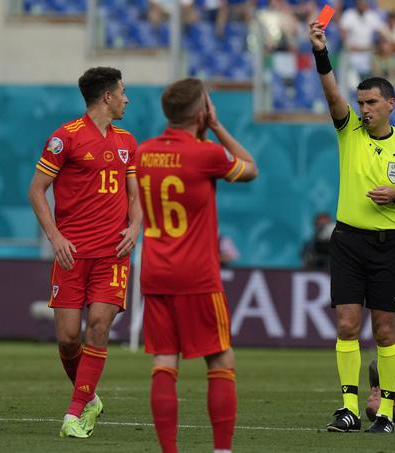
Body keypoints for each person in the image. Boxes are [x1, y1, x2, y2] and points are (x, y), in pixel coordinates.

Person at [309, 20, 395, 434]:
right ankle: (347, 407)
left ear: (391, 104)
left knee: (384, 329)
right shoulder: (350, 132)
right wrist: (321, 53)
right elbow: (330, 93)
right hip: (347, 240)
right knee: (347, 324)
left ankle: (384, 412)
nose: (364, 109)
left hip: (386, 244)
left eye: (372, 103)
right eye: (361, 102)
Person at [137, 78, 257, 453]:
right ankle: (221, 451)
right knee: (220, 358)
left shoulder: (143, 152)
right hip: (198, 275)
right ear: (202, 112)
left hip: (155, 272)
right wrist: (218, 127)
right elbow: (250, 168)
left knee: (163, 361)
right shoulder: (206, 154)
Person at [28, 67, 141, 439]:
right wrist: (55, 237)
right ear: (106, 96)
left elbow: (135, 194)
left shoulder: (127, 140)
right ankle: (90, 397)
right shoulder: (65, 139)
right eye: (122, 92)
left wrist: (135, 226)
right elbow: (36, 191)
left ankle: (75, 413)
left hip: (113, 253)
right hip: (71, 254)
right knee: (67, 339)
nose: (127, 99)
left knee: (98, 327)